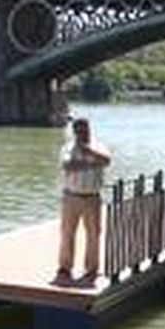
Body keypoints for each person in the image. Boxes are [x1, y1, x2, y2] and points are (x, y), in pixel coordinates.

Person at [55, 116, 111, 285]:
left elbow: (106, 160)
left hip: (92, 197)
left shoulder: (98, 145)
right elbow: (67, 166)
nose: (82, 133)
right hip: (71, 197)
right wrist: (93, 164)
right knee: (67, 233)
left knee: (94, 234)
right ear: (74, 132)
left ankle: (91, 269)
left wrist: (88, 152)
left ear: (89, 129)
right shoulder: (67, 148)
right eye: (78, 130)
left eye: (84, 129)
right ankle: (65, 268)